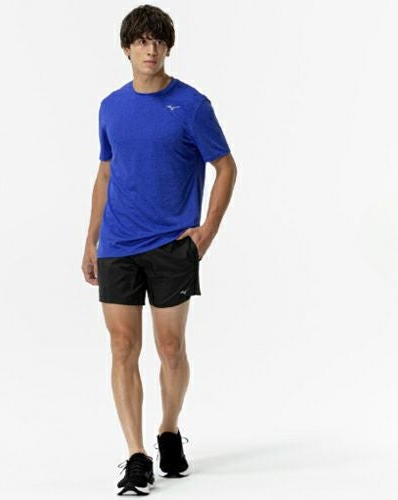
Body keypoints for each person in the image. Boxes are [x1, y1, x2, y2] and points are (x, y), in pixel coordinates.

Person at [81, 4, 237, 495]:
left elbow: (226, 167)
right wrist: (91, 239)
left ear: (168, 47)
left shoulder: (191, 105)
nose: (150, 49)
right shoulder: (110, 106)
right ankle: (136, 456)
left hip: (172, 245)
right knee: (122, 347)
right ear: (126, 48)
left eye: (158, 41)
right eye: (141, 41)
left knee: (170, 348)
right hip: (118, 245)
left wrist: (207, 231)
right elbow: (106, 173)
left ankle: (168, 429)